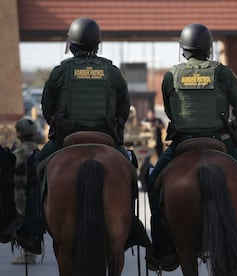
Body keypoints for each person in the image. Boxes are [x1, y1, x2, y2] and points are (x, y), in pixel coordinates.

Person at [18, 17, 149, 254]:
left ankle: (32, 230)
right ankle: (132, 226)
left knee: (36, 168)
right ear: (97, 44)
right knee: (129, 170)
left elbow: (46, 107)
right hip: (106, 140)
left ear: (72, 45)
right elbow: (124, 108)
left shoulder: (60, 72)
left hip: (65, 139)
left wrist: (58, 125)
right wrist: (115, 131)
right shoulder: (112, 72)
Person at [146, 23, 237, 270]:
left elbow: (170, 112)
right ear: (209, 49)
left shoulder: (171, 76)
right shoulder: (223, 73)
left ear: (184, 50)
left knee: (153, 181)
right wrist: (236, 140)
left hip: (182, 143)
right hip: (221, 143)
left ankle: (161, 246)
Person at [10, 117, 39, 264]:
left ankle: (28, 255)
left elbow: (12, 167)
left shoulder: (21, 151)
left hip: (21, 191)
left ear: (20, 133)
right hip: (35, 192)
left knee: (23, 222)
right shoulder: (37, 149)